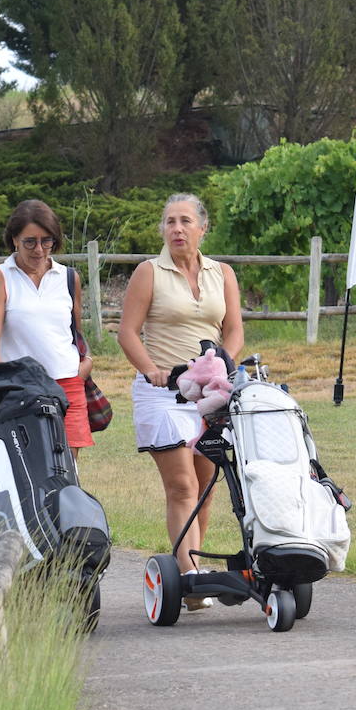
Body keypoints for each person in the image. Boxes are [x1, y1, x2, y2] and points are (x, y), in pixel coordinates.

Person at [118, 193, 244, 606]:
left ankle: (187, 578)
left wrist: (224, 364)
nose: (176, 228)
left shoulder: (221, 273)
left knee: (206, 485)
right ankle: (189, 575)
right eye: (170, 221)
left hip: (210, 393)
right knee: (182, 485)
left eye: (185, 221)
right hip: (163, 392)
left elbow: (234, 331)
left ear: (202, 228)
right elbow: (128, 333)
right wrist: (150, 368)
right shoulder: (148, 272)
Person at [0, 199, 93, 456]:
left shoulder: (68, 277)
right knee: (29, 466)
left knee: (68, 470)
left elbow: (73, 331)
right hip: (21, 388)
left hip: (68, 384)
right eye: (30, 241)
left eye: (46, 240)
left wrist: (85, 366)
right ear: (14, 240)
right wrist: (3, 388)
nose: (39, 249)